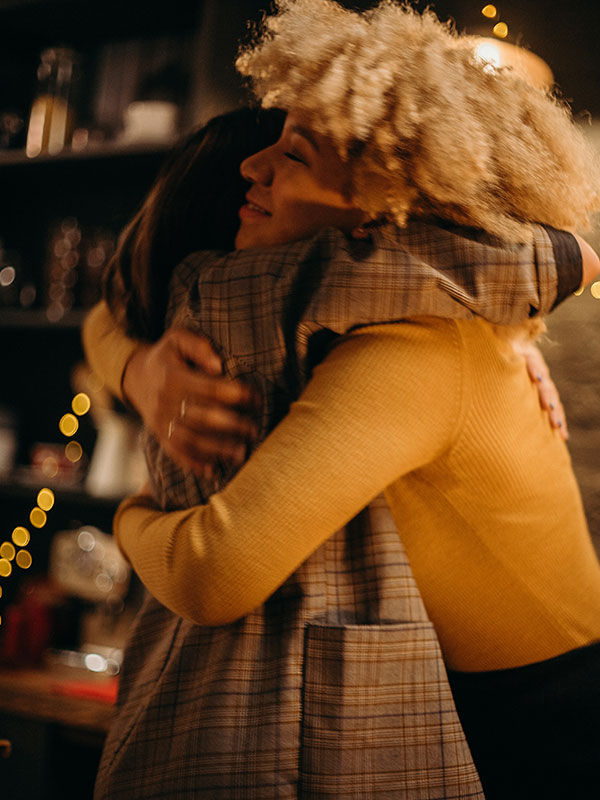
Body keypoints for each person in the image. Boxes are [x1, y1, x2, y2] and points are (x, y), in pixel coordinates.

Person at [85, 3, 600, 798]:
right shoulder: (346, 305)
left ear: (384, 201)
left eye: (292, 153)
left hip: (538, 719)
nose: (252, 169)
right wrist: (138, 368)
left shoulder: (408, 352)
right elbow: (105, 314)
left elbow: (213, 574)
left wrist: (129, 515)